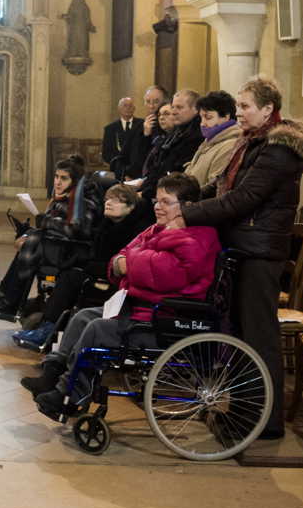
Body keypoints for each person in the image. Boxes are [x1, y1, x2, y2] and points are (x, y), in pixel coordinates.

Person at [179, 76, 303, 440]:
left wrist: (189, 214)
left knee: (260, 335)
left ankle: (267, 422)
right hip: (245, 246)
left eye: (245, 107)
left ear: (268, 109)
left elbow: (244, 199)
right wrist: (186, 199)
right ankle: (245, 412)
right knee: (241, 334)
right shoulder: (253, 141)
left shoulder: (279, 150)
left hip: (260, 252)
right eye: (239, 106)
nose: (239, 113)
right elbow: (224, 186)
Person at [29, 174, 220, 420]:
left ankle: (71, 392)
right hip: (140, 307)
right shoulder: (159, 229)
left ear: (188, 206)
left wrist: (129, 263)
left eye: (165, 202)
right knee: (82, 317)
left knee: (98, 328)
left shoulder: (197, 238)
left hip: (164, 319)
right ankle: (51, 376)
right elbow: (121, 257)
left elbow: (164, 274)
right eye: (156, 201)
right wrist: (126, 263)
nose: (157, 207)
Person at [11, 183, 150, 350]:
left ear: (130, 207)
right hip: (99, 271)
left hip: (117, 279)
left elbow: (118, 264)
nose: (109, 203)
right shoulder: (105, 224)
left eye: (116, 200)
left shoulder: (134, 231)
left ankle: (46, 330)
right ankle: (44, 325)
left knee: (70, 277)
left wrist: (85, 265)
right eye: (107, 199)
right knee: (66, 270)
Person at [0, 156, 101, 320]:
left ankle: (10, 300)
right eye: (56, 177)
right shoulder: (62, 195)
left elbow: (76, 231)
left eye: (63, 178)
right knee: (31, 240)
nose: (57, 182)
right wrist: (28, 233)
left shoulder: (82, 200)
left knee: (33, 243)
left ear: (74, 180)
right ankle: (4, 294)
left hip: (73, 251)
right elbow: (51, 226)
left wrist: (45, 222)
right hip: (58, 245)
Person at [138, 89, 204, 200]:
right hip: (157, 191)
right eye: (173, 107)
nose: (174, 111)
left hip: (175, 197)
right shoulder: (177, 132)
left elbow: (175, 172)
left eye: (179, 107)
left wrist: (145, 194)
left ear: (195, 109)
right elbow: (158, 166)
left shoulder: (196, 135)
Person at [185, 90, 242, 190]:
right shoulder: (209, 142)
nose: (202, 123)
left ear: (225, 117)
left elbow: (214, 187)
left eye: (208, 117)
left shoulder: (230, 145)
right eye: (201, 118)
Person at [127, 85, 170, 178]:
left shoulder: (168, 126)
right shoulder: (137, 125)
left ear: (165, 103)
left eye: (156, 101)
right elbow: (125, 156)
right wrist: (125, 174)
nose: (151, 106)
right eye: (148, 101)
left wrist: (146, 136)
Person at [102, 97, 143, 180]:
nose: (128, 108)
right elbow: (106, 153)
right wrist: (120, 169)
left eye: (130, 106)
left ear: (134, 108)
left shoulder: (142, 125)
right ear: (119, 109)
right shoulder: (110, 129)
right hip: (117, 171)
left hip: (139, 170)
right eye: (125, 106)